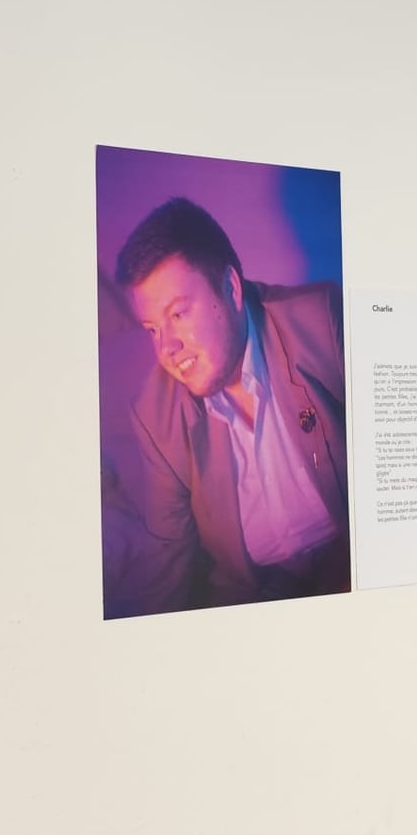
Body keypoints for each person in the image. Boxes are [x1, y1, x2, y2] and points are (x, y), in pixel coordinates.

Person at [109, 197, 350, 615]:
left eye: (178, 314)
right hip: (254, 598)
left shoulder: (321, 323)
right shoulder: (154, 418)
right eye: (152, 329)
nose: (166, 349)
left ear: (231, 288)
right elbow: (167, 556)